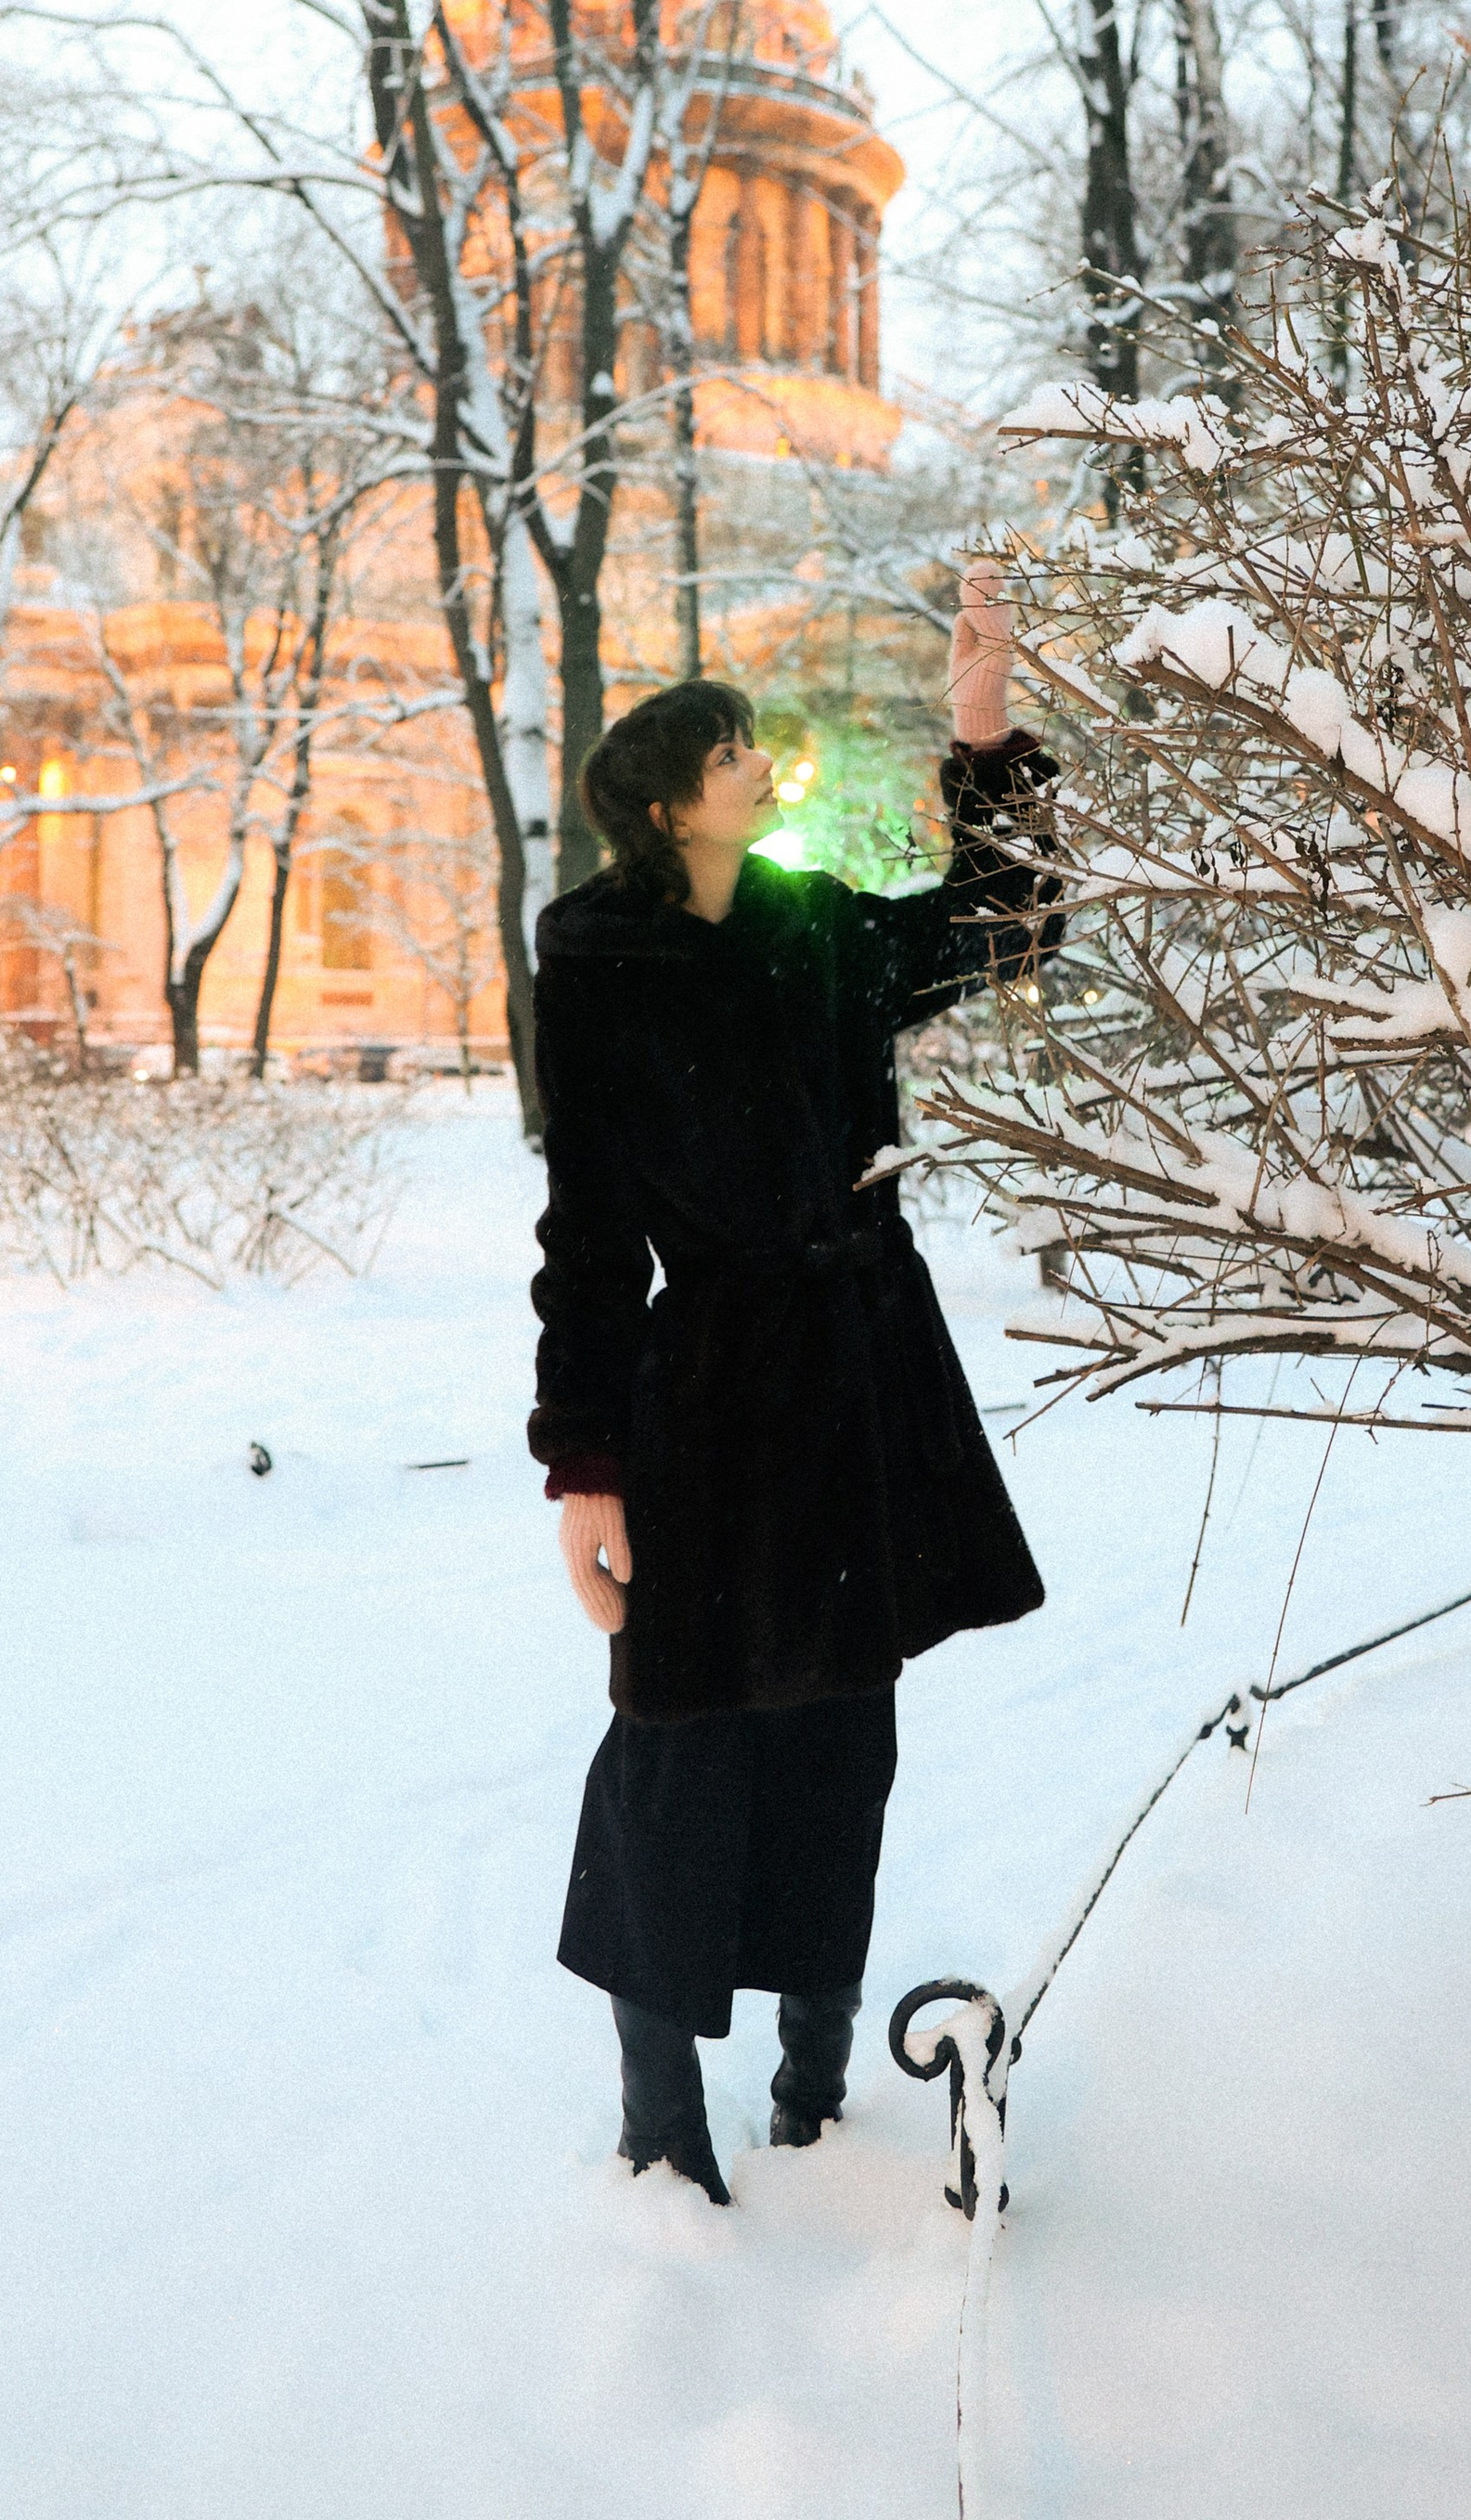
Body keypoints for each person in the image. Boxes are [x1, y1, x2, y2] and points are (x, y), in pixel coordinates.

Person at [526, 564, 1060, 2202]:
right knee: (675, 1744)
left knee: (845, 1734)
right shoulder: (600, 960)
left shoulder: (815, 929)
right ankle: (657, 2119)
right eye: (735, 750)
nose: (765, 764)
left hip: (862, 1386)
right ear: (667, 801)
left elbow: (1009, 919)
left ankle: (818, 2093)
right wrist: (586, 1465)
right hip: (711, 1398)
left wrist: (986, 733)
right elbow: (590, 1230)